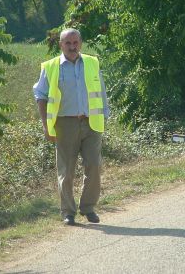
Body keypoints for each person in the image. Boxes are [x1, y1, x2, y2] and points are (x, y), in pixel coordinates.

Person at [33, 28, 109, 225]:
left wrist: (105, 117)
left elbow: (101, 92)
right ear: (61, 45)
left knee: (94, 165)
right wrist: (46, 126)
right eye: (68, 43)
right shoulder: (50, 67)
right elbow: (40, 96)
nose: (72, 47)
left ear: (81, 43)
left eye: (75, 43)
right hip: (64, 123)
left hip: (91, 122)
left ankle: (88, 207)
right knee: (66, 171)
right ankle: (68, 212)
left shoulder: (92, 62)